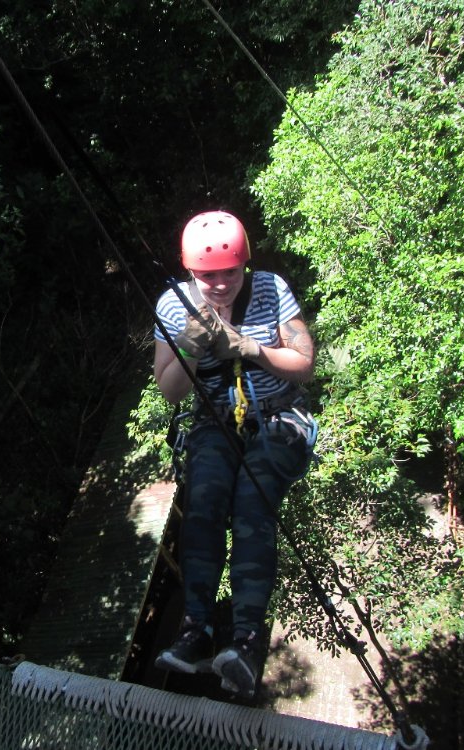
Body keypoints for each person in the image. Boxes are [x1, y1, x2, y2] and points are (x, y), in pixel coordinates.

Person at [152, 210, 316, 700]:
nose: (221, 284)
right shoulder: (173, 305)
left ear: (245, 264)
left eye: (231, 272)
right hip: (215, 421)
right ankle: (195, 627)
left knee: (252, 500)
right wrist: (191, 346)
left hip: (279, 416)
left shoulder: (269, 289)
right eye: (209, 276)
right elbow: (171, 390)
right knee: (203, 501)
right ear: (190, 271)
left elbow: (304, 364)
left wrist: (250, 348)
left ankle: (245, 640)